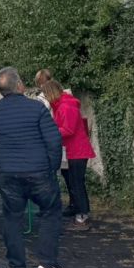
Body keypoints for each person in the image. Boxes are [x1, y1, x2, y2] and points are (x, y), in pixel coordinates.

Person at [0, 67, 68, 268]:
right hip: (39, 172)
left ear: (0, 90)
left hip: (9, 174)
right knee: (50, 211)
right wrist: (52, 166)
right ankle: (48, 262)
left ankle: (16, 266)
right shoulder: (37, 109)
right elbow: (54, 140)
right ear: (19, 85)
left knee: (12, 217)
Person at [38, 73, 95, 230]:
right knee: (71, 181)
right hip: (69, 150)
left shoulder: (66, 106)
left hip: (76, 151)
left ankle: (82, 216)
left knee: (77, 183)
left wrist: (50, 131)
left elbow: (68, 129)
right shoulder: (62, 105)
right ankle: (76, 209)